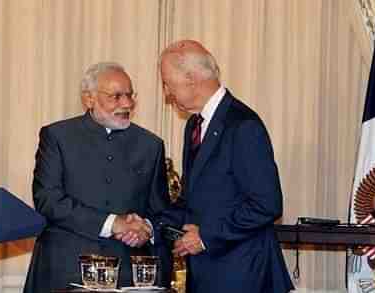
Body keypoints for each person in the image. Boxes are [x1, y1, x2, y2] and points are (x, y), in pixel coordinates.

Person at [158, 40, 294, 293]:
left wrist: (206, 236)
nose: (167, 93)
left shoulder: (243, 125)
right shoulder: (194, 126)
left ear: (190, 78)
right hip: (207, 274)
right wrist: (149, 225)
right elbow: (192, 199)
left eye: (167, 82)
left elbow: (267, 204)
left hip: (244, 275)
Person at [23, 62, 172, 293]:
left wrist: (147, 229)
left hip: (129, 275)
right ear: (89, 99)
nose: (127, 104)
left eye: (130, 95)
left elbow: (161, 210)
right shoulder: (57, 137)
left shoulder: (150, 145)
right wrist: (114, 223)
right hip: (66, 270)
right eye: (116, 96)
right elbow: (48, 200)